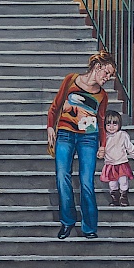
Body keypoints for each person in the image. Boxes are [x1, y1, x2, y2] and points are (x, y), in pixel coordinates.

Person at [46, 51, 115, 240]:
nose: (108, 78)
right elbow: (56, 105)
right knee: (62, 176)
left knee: (86, 182)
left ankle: (89, 227)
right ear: (97, 66)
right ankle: (67, 222)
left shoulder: (102, 96)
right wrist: (50, 126)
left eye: (110, 75)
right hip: (66, 134)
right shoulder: (71, 80)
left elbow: (101, 121)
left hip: (89, 139)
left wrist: (103, 144)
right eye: (107, 73)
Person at [100, 111, 134, 207]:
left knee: (123, 181)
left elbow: (129, 147)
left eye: (114, 124)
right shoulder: (104, 137)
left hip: (121, 163)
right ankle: (115, 199)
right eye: (108, 124)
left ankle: (124, 198)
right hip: (110, 164)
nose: (111, 127)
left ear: (119, 124)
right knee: (112, 184)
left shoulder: (123, 135)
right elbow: (101, 149)